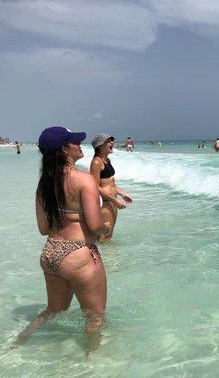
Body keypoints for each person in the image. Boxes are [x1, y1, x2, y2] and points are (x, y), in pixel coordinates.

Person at [19, 127, 111, 351]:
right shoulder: (84, 180)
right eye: (74, 142)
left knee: (53, 310)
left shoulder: (44, 184)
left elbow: (43, 228)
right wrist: (106, 228)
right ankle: (95, 364)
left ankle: (17, 344)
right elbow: (95, 225)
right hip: (79, 255)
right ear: (64, 149)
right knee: (95, 317)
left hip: (51, 254)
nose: (80, 145)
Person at [90, 134, 133, 242]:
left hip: (112, 202)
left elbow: (110, 183)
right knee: (104, 238)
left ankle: (109, 258)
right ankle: (102, 258)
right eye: (108, 141)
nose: (112, 143)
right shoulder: (96, 162)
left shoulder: (107, 160)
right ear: (99, 146)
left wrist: (122, 193)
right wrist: (114, 201)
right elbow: (94, 187)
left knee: (109, 237)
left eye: (111, 141)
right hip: (105, 202)